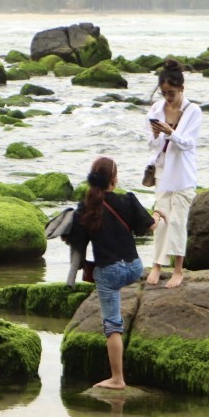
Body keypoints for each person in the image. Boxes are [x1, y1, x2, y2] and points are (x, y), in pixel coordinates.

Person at [64, 156, 163, 390]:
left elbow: (77, 242)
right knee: (113, 287)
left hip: (109, 273)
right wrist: (158, 214)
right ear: (114, 180)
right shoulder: (127, 200)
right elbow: (149, 225)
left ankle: (117, 379)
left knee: (112, 326)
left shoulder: (85, 207)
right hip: (135, 268)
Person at [145, 58, 202, 289]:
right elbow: (151, 144)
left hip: (183, 176)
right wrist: (157, 134)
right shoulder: (156, 109)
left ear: (181, 89)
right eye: (164, 92)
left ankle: (178, 269)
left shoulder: (193, 111)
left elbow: (188, 143)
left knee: (178, 222)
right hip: (162, 173)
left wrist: (171, 132)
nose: (167, 97)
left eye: (171, 93)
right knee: (159, 220)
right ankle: (157, 265)